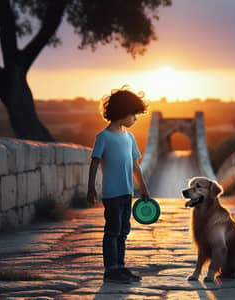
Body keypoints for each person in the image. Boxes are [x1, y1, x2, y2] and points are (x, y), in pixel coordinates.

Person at [87, 87, 150, 284]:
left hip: (127, 193)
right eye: (133, 114)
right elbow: (95, 162)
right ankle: (111, 270)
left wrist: (143, 189)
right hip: (112, 194)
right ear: (122, 113)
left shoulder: (129, 138)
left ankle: (120, 267)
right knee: (112, 230)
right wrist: (91, 188)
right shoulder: (103, 137)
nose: (135, 119)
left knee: (123, 231)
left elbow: (135, 166)